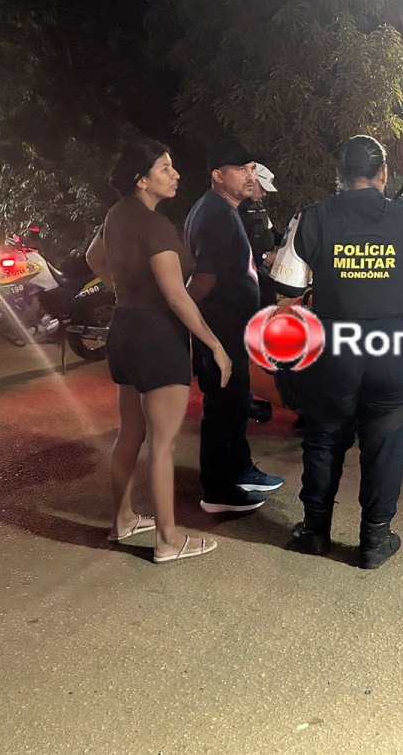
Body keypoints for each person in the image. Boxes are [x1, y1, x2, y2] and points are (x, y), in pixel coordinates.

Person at [278, 135, 403, 568]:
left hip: (332, 352)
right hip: (395, 352)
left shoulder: (311, 218)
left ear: (339, 177)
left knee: (324, 439)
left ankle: (316, 532)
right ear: (383, 175)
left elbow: (286, 288)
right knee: (385, 444)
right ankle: (374, 541)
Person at [86, 138, 231, 564]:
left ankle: (123, 521)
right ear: (141, 180)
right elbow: (177, 297)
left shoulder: (116, 216)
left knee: (129, 433)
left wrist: (124, 287)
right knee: (163, 445)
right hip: (156, 338)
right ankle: (168, 541)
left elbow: (94, 258)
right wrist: (216, 345)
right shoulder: (156, 227)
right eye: (165, 168)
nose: (175, 175)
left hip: (124, 331)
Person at [184, 144, 285, 515]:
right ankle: (218, 490)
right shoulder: (215, 214)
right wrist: (197, 328)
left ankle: (240, 470)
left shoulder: (227, 211)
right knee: (222, 407)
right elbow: (203, 280)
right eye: (240, 169)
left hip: (234, 330)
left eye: (251, 168)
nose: (248, 175)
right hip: (221, 332)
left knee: (237, 402)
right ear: (217, 175)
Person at [237, 162, 281, 423]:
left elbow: (270, 232)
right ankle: (245, 400)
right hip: (249, 280)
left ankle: (260, 391)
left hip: (265, 279)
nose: (265, 195)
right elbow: (241, 250)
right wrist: (266, 255)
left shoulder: (260, 207)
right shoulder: (237, 211)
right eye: (263, 189)